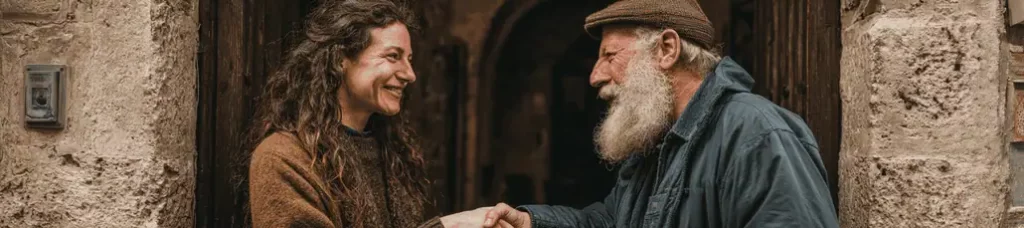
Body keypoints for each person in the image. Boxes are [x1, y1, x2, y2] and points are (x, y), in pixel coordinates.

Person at [482, 0, 840, 227]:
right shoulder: (656, 144)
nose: (595, 76)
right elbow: (610, 222)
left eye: (610, 56)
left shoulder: (756, 135)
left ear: (667, 50)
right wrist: (530, 222)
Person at [246, 0, 490, 227]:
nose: (410, 74)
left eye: (409, 59)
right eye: (393, 56)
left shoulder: (392, 153)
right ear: (340, 60)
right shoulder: (284, 159)